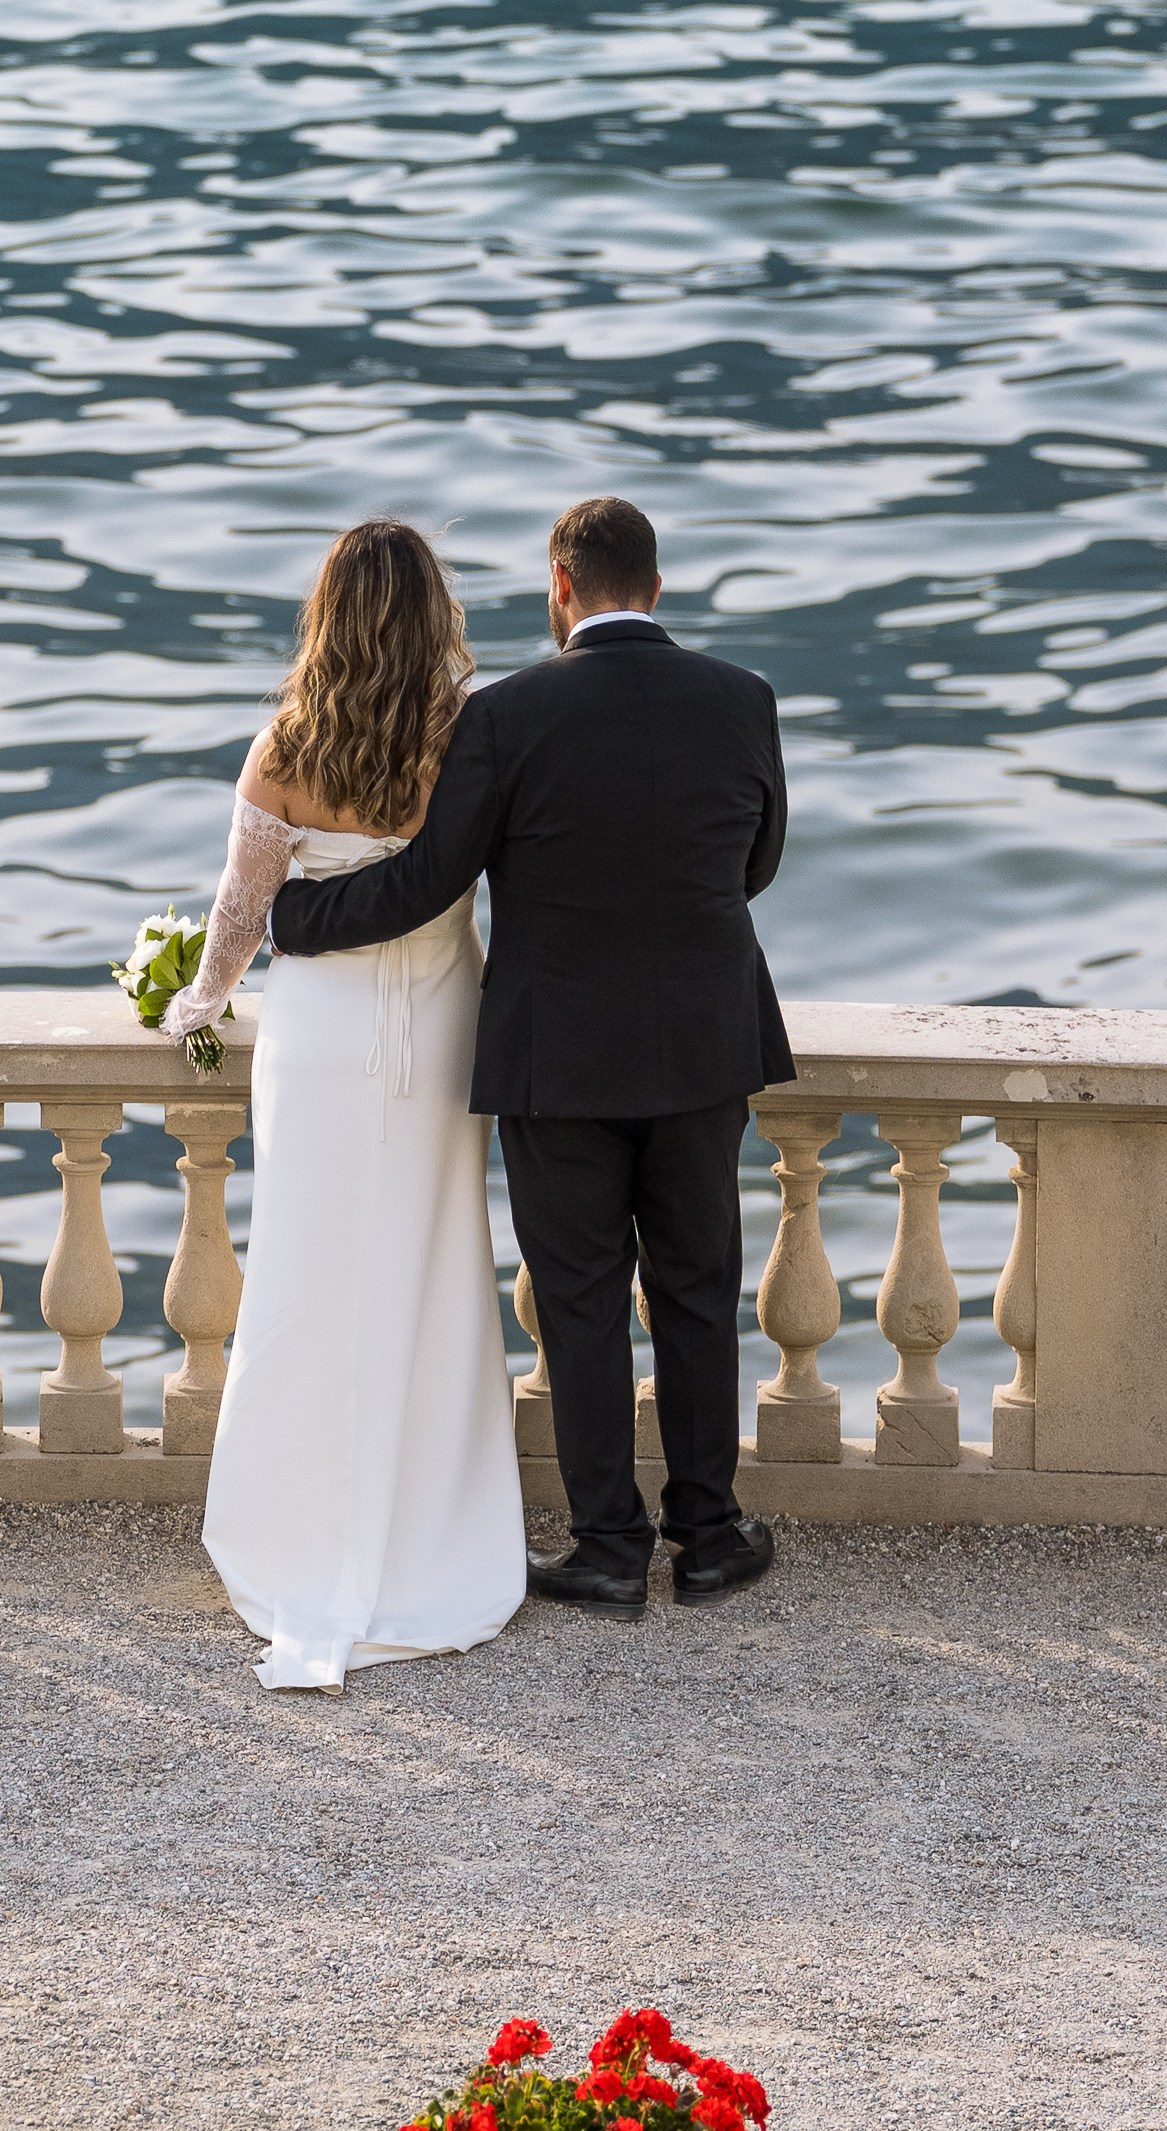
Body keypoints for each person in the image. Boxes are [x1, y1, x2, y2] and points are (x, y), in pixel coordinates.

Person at [265, 494, 789, 1616]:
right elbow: (756, 863)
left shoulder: (506, 715)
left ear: (561, 587)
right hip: (704, 1043)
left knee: (581, 1297)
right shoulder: (742, 699)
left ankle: (608, 1548)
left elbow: (430, 879)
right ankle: (709, 1538)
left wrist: (297, 919)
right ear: (656, 585)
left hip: (559, 1058)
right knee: (697, 1289)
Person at [158, 520, 526, 1690]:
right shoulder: (464, 735)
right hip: (437, 1026)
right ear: (432, 613)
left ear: (326, 614)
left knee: (307, 1268)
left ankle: (296, 1529)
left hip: (317, 1039)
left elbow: (239, 913)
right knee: (429, 1261)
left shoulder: (286, 745)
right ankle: (431, 1525)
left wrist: (194, 1002)